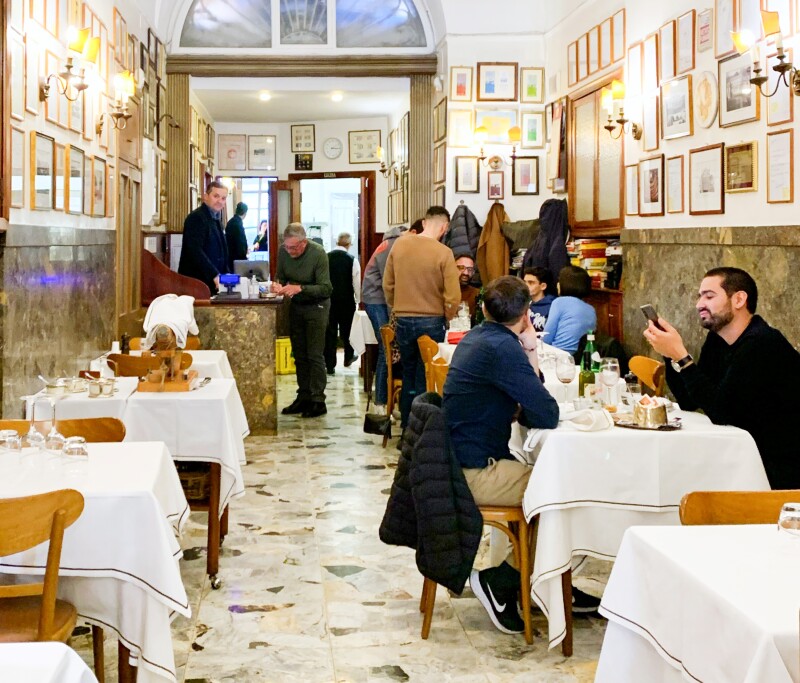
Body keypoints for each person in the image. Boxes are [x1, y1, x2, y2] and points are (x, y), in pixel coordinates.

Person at [443, 276, 598, 633]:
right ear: (527, 314)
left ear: (483, 309)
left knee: (554, 482)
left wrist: (527, 351)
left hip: (458, 458)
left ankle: (551, 581)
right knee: (560, 493)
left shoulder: (481, 338)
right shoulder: (502, 348)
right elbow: (545, 413)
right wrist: (529, 351)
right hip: (474, 471)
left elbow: (532, 410)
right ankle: (503, 580)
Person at [644, 267, 800, 490]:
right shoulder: (718, 340)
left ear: (739, 299)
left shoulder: (762, 343)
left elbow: (721, 411)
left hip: (778, 469)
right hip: (741, 452)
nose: (699, 304)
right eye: (699, 297)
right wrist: (670, 354)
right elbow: (690, 400)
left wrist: (681, 355)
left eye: (709, 296)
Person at [383, 207, 460, 430]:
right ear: (444, 227)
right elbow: (453, 296)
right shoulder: (444, 252)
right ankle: (424, 430)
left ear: (425, 223)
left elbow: (387, 284)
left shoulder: (399, 245)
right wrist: (447, 316)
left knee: (409, 374)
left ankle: (408, 428)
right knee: (427, 376)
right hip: (432, 320)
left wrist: (397, 306)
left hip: (404, 318)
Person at [272, 223, 333, 418]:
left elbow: (326, 288)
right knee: (298, 353)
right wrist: (276, 286)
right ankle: (303, 395)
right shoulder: (284, 252)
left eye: (294, 248)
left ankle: (317, 399)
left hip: (317, 306)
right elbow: (280, 277)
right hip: (295, 306)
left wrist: (301, 288)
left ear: (304, 243)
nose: (290, 251)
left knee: (314, 353)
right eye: (287, 247)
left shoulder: (318, 253)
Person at [361, 223, 413, 411]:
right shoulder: (394, 245)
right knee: (387, 347)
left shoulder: (392, 242)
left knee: (388, 348)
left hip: (377, 298)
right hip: (376, 299)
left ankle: (388, 400)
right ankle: (381, 402)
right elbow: (389, 280)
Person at [178, 181, 230, 295]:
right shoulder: (196, 218)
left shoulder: (216, 219)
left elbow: (222, 252)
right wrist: (214, 275)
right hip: (197, 283)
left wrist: (228, 277)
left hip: (213, 283)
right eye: (216, 196)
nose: (220, 201)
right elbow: (195, 251)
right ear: (206, 196)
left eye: (223, 198)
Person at [324, 232, 361, 374]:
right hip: (346, 300)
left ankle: (330, 364)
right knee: (347, 330)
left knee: (330, 331)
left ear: (337, 242)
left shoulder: (326, 258)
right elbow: (356, 282)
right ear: (349, 244)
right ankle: (348, 358)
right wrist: (359, 300)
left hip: (329, 299)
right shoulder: (352, 260)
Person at [543, 265, 597, 354]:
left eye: (559, 281)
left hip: (558, 355)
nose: (557, 284)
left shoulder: (559, 302)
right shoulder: (591, 309)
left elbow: (547, 337)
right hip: (582, 357)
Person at [523, 266, 557, 332]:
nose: (526, 286)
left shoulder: (553, 306)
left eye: (531, 283)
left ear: (543, 286)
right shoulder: (522, 303)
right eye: (525, 282)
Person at [454, 252, 480, 322]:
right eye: (461, 268)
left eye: (470, 269)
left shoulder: (477, 294)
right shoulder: (442, 292)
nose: (466, 273)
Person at [225, 202, 249, 271]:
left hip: (230, 257)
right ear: (245, 213)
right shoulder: (238, 224)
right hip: (237, 259)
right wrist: (244, 258)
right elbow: (240, 243)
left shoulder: (231, 222)